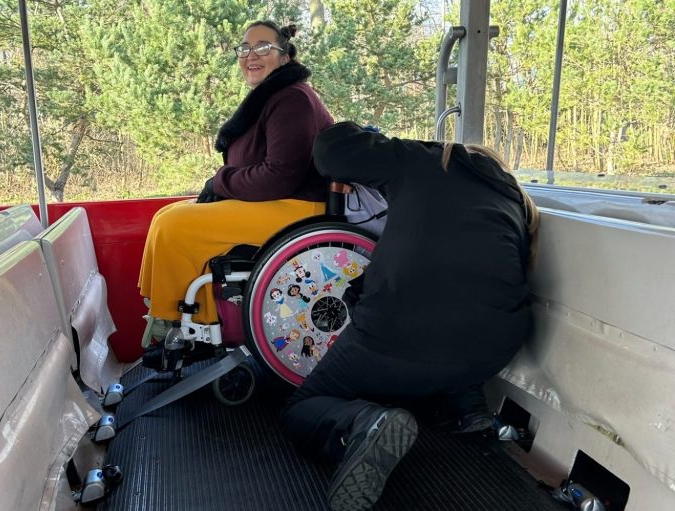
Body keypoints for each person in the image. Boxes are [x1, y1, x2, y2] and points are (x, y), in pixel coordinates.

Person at [279, 121, 540, 511]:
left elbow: (330, 151)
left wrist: (362, 130)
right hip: (489, 352)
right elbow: (473, 275)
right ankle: (467, 410)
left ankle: (362, 424)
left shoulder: (422, 158)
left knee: (300, 409)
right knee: (455, 312)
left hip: (395, 339)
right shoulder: (514, 201)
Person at [137, 21, 333, 343]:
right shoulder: (272, 97)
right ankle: (162, 309)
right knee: (165, 215)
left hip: (299, 210)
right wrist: (224, 183)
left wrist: (221, 181)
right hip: (278, 203)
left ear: (285, 57)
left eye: (263, 47)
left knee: (175, 225)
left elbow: (280, 176)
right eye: (244, 48)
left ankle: (181, 321)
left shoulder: (292, 100)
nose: (250, 56)